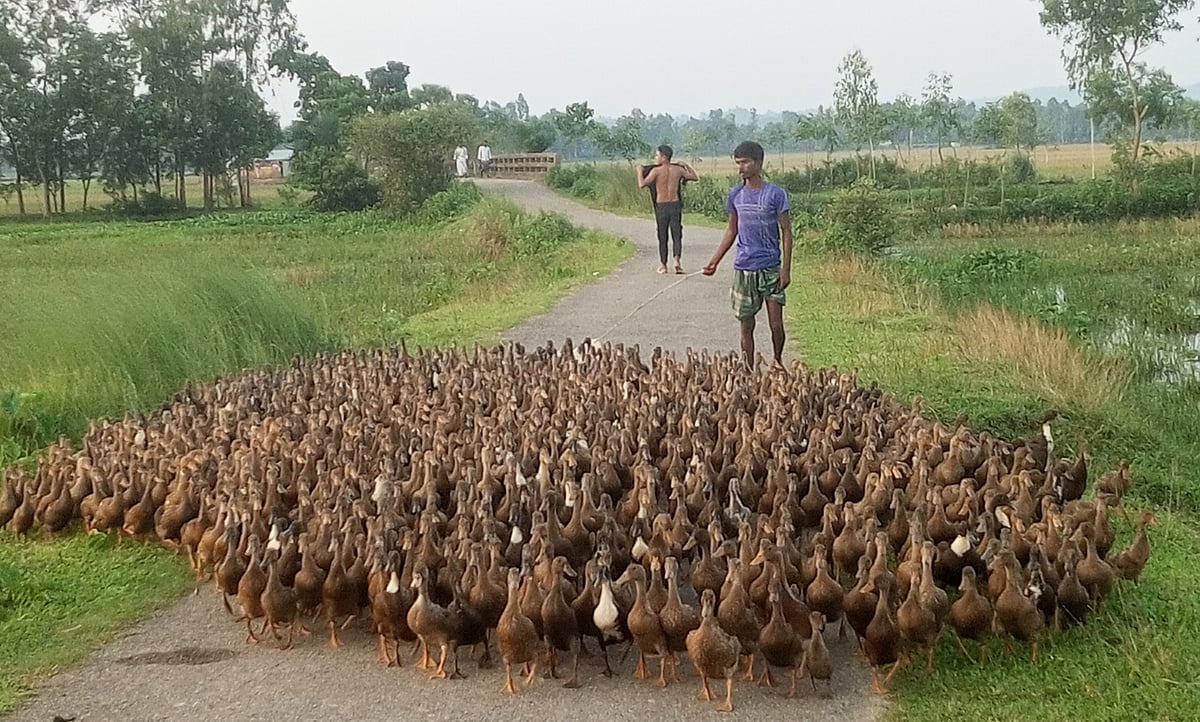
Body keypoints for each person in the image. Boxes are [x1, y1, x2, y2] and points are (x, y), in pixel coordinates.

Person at [702, 140, 794, 369]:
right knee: (746, 325)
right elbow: (732, 230)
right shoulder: (736, 194)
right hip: (744, 268)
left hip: (770, 267)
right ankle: (749, 368)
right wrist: (714, 261)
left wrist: (786, 269)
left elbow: (786, 232)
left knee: (776, 324)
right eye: (737, 163)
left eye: (745, 162)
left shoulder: (775, 194)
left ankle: (777, 361)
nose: (740, 168)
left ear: (759, 163)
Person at [636, 145, 698, 274]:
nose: (655, 158)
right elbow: (694, 177)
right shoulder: (678, 170)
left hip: (662, 206)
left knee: (662, 235)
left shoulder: (656, 171)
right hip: (675, 204)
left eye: (657, 155)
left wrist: (639, 171)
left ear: (664, 157)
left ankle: (663, 265)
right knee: (676, 234)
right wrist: (685, 165)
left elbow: (642, 184)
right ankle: (677, 261)